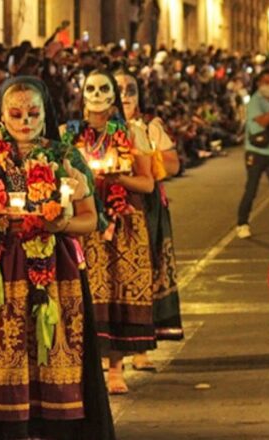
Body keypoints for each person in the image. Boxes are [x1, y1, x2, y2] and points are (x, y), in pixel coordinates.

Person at [0, 76, 114, 440]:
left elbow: (91, 219)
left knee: (50, 349)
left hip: (53, 270)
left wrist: (63, 222)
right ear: (2, 118)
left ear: (45, 115)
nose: (25, 121)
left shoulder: (64, 157)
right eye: (16, 113)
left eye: (33, 113)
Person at [63, 70, 156, 395]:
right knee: (85, 292)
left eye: (105, 89)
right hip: (85, 223)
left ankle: (116, 368)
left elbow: (147, 183)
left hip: (125, 222)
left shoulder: (132, 132)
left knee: (120, 292)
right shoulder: (68, 133)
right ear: (82, 92)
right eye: (92, 88)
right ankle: (86, 368)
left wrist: (118, 180)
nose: (98, 95)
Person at [114, 68, 184, 369]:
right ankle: (114, 350)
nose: (125, 96)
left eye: (131, 89)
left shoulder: (149, 126)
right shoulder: (96, 129)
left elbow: (173, 163)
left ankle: (141, 348)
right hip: (111, 207)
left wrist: (148, 159)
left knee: (147, 272)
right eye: (119, 89)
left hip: (147, 205)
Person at [236, 68, 269, 239]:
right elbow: (264, 121)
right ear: (259, 83)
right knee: (251, 188)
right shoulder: (255, 102)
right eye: (266, 82)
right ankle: (242, 222)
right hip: (256, 151)